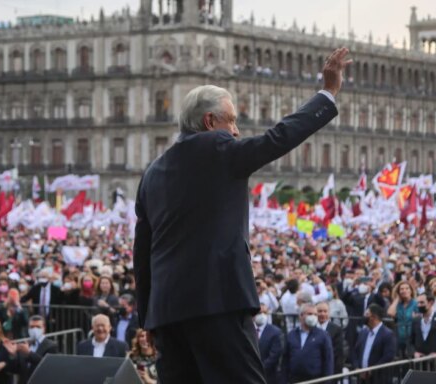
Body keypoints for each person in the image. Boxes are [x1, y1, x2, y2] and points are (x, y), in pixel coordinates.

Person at [134, 47, 350, 383]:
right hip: (218, 305)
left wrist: (145, 317)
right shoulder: (220, 151)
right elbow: (279, 138)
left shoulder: (152, 173)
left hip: (167, 316)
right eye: (231, 120)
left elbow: (142, 254)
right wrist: (328, 92)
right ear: (209, 121)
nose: (236, 130)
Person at [283, 303, 334, 383]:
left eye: (315, 314)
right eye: (310, 314)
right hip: (294, 380)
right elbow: (285, 360)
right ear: (301, 316)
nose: (313, 317)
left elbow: (328, 361)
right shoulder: (292, 335)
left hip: (315, 380)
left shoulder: (323, 335)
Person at [6, 315, 58, 384]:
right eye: (32, 327)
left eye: (38, 327)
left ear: (44, 328)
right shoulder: (25, 345)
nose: (34, 329)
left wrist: (29, 353)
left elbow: (48, 366)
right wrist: (12, 355)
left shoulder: (51, 345)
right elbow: (16, 369)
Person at [353, 304, 396, 377]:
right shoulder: (363, 332)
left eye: (367, 314)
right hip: (362, 377)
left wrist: (372, 370)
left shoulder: (388, 334)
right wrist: (357, 368)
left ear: (374, 317)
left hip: (379, 378)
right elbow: (356, 351)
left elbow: (388, 356)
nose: (364, 316)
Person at [387, 281, 418, 357]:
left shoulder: (416, 303)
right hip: (400, 337)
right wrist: (397, 298)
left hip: (412, 339)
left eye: (407, 288)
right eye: (402, 289)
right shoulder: (398, 305)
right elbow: (390, 313)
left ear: (411, 290)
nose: (404, 290)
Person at [254, 307, 283, 384]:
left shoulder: (275, 332)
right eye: (259, 312)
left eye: (265, 312)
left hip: (269, 376)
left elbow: (274, 355)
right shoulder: (248, 330)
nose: (262, 315)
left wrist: (259, 368)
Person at [316, 301, 345, 374]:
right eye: (319, 311)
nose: (322, 314)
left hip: (329, 370)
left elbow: (338, 353)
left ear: (329, 313)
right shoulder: (311, 328)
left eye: (325, 311)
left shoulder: (336, 330)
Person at [410, 293, 436, 357]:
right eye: (418, 303)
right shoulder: (416, 320)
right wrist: (414, 353)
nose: (419, 305)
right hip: (420, 362)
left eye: (422, 303)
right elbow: (411, 341)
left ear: (431, 303)